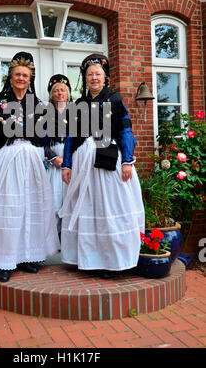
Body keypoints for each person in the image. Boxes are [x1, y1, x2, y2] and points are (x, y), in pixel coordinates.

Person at [0, 52, 60, 282]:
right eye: (17, 74)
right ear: (10, 77)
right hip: (8, 158)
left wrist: (30, 140)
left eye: (25, 75)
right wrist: (7, 152)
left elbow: (45, 136)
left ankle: (28, 257)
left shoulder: (38, 105)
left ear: (30, 79)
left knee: (31, 207)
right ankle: (3, 261)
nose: (20, 78)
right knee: (7, 208)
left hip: (32, 159)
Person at [59, 54, 145, 279]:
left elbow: (125, 130)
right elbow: (70, 137)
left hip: (110, 161)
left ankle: (114, 261)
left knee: (110, 208)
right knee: (88, 207)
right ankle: (89, 260)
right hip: (83, 164)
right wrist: (66, 164)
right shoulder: (79, 104)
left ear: (105, 77)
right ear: (85, 79)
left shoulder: (115, 100)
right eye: (90, 74)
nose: (94, 78)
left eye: (98, 74)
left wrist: (128, 160)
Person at [45, 74, 71, 237]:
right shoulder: (44, 114)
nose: (59, 93)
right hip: (54, 163)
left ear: (67, 93)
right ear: (51, 94)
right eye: (56, 90)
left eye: (62, 90)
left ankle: (68, 241)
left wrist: (70, 160)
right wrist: (53, 157)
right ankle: (52, 240)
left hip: (72, 163)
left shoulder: (77, 113)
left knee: (70, 202)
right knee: (54, 202)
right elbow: (39, 139)